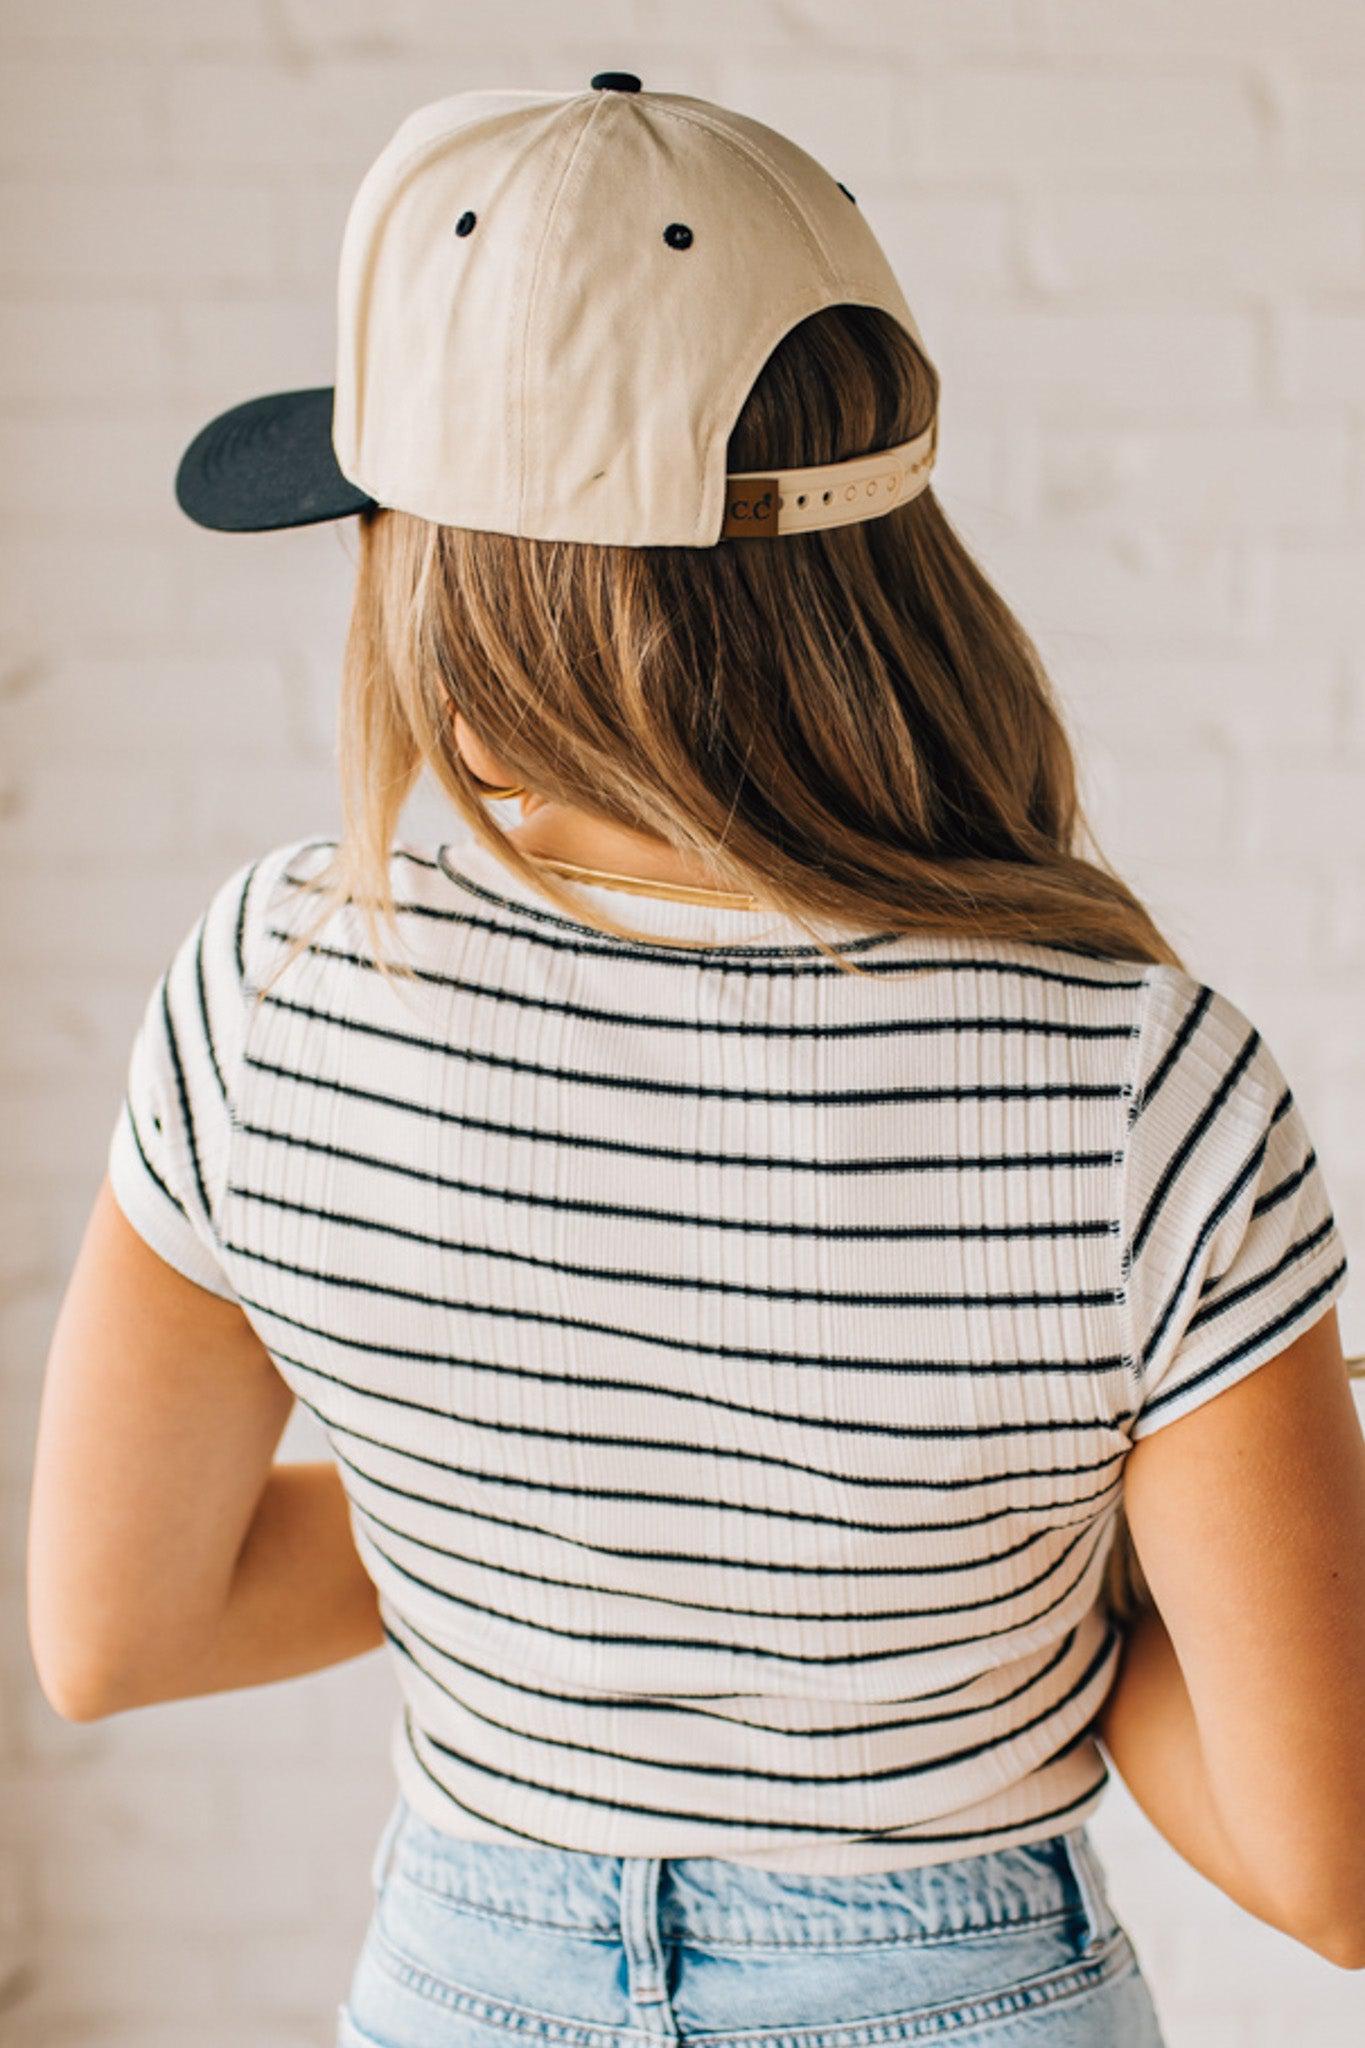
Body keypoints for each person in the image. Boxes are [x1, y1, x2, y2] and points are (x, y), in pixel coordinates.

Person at [27, 74, 1365, 2048]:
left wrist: (530, 1520)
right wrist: (980, 1585)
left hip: (463, 1992)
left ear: (438, 560)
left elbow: (115, 1629)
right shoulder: (1136, 1088)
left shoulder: (279, 978)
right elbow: (1324, 1864)